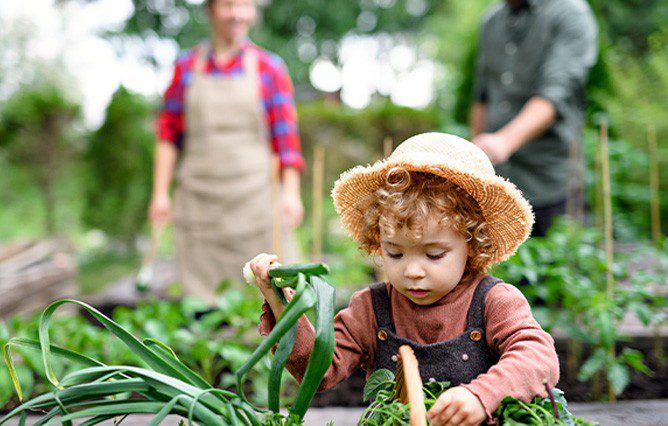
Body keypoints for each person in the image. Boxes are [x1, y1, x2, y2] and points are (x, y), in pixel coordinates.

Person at [249, 133, 559, 425]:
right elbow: (319, 371)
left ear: (473, 245)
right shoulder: (372, 308)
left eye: (434, 255)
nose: (412, 271)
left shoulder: (494, 301)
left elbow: (538, 357)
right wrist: (283, 305)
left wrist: (482, 395)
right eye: (395, 254)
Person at [150, 0, 305, 302]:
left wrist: (290, 193)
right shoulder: (185, 68)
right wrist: (159, 193)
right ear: (210, 9)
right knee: (200, 301)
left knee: (265, 296)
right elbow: (168, 134)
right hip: (198, 202)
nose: (238, 13)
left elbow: (285, 140)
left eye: (246, 5)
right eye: (229, 5)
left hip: (254, 202)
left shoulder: (268, 68)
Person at [470, 0, 597, 236]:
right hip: (500, 186)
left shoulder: (570, 13)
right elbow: (482, 96)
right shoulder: (491, 21)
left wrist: (504, 142)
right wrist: (476, 163)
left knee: (559, 267)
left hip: (551, 181)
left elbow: (554, 95)